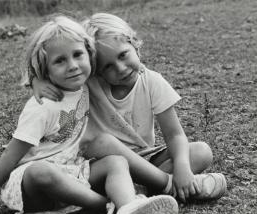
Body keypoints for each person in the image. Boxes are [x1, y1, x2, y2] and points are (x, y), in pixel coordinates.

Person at [0, 16, 179, 214]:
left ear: (89, 55)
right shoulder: (43, 105)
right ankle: (105, 206)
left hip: (73, 171)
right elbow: (11, 154)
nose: (72, 66)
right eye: (59, 61)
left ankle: (129, 208)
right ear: (45, 68)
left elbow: (94, 48)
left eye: (78, 55)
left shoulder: (84, 85)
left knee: (116, 162)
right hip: (34, 184)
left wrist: (35, 79)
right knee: (41, 171)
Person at [31, 13, 227, 203]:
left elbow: (175, 135)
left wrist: (183, 168)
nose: (121, 68)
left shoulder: (152, 81)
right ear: (95, 70)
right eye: (107, 66)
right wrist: (36, 82)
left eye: (123, 55)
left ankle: (136, 189)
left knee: (201, 151)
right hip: (104, 162)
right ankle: (164, 184)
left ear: (134, 45)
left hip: (144, 159)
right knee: (104, 142)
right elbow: (47, 68)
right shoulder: (90, 83)